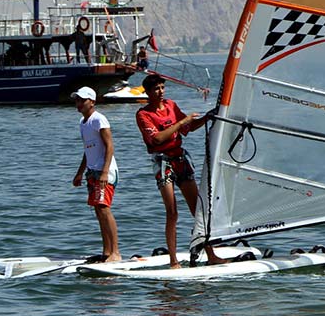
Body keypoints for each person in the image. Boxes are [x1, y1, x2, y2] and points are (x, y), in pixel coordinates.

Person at [135, 72, 224, 268]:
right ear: (148, 92)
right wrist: (181, 122)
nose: (160, 92)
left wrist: (207, 117)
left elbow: (188, 128)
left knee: (197, 209)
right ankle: (173, 260)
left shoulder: (171, 106)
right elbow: (157, 139)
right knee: (172, 212)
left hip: (180, 160)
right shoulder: (143, 114)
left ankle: (211, 254)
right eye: (156, 89)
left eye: (162, 88)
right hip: (163, 163)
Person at [71, 86, 121, 263]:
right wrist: (79, 173)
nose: (79, 103)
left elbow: (109, 146)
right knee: (98, 211)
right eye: (77, 100)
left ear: (92, 102)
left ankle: (116, 252)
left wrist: (105, 172)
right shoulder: (82, 123)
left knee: (104, 208)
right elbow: (87, 150)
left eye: (82, 100)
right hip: (92, 171)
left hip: (104, 171)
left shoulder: (99, 120)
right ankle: (106, 251)